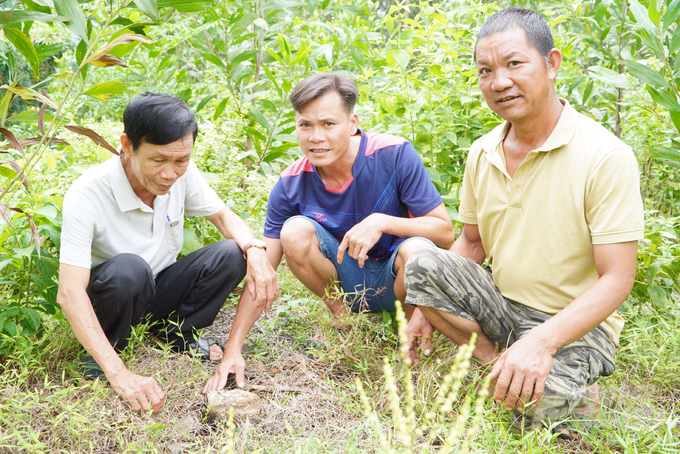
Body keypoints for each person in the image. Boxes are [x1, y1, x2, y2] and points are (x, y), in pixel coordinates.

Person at [403, 8, 644, 433]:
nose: (499, 82)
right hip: (503, 304)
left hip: (574, 325)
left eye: (515, 64)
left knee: (549, 416)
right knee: (421, 262)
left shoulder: (604, 156)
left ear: (552, 63)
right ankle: (499, 368)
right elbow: (472, 244)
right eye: (485, 71)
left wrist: (541, 341)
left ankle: (545, 383)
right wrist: (426, 303)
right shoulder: (483, 151)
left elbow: (617, 279)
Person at [204, 73, 453, 393]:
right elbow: (264, 272)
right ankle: (343, 320)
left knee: (417, 249)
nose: (315, 137)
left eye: (328, 124)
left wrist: (382, 221)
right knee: (293, 230)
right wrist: (233, 349)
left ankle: (408, 325)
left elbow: (444, 232)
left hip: (400, 278)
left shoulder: (393, 154)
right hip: (349, 280)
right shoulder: (291, 182)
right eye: (305, 125)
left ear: (352, 123)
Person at [57, 93, 278, 414]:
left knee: (233, 252)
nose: (170, 174)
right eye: (158, 160)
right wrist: (118, 373)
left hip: (160, 288)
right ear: (127, 145)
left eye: (181, 161)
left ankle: (175, 332)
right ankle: (104, 358)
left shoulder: (180, 172)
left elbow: (223, 217)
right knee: (129, 270)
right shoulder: (86, 194)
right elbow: (69, 292)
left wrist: (255, 251)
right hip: (117, 295)